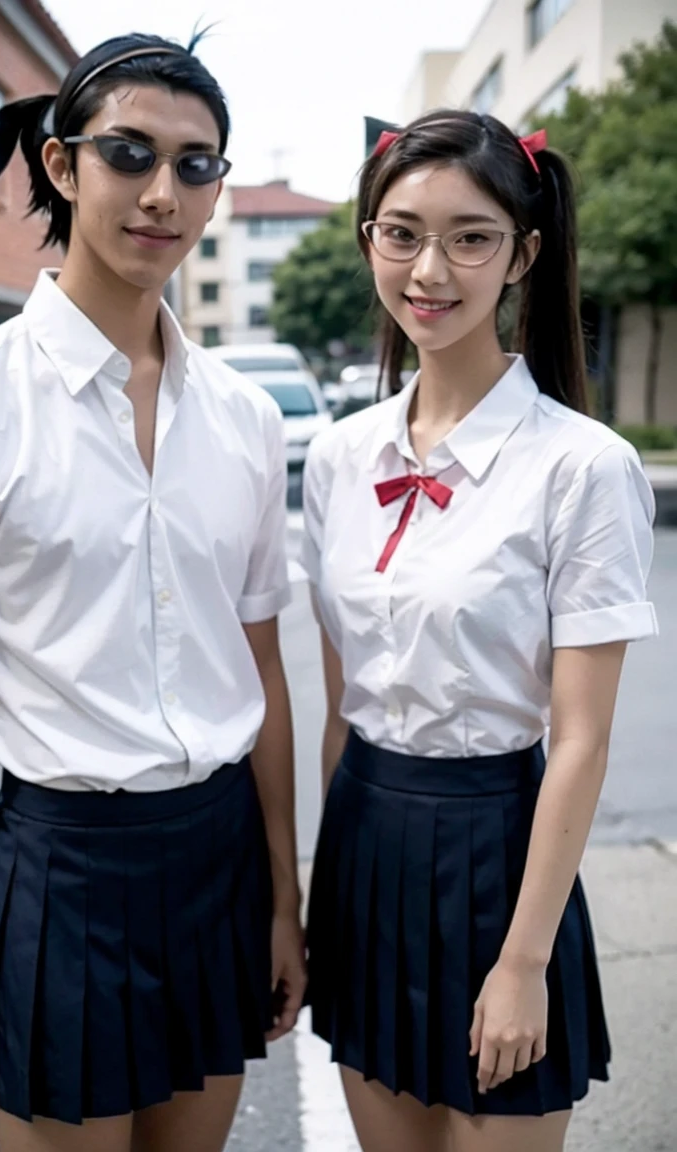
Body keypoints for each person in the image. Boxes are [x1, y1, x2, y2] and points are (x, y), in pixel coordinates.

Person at [0, 31, 305, 1152]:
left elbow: (258, 663)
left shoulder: (245, 421)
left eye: (197, 165)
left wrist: (283, 898)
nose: (165, 192)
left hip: (220, 860)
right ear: (62, 167)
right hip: (61, 870)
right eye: (130, 154)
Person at [301, 110, 658, 1152]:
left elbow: (582, 737)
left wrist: (522, 961)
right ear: (368, 238)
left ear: (523, 255)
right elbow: (340, 701)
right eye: (401, 232)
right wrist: (325, 889)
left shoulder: (583, 467)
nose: (430, 268)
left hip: (501, 856)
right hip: (365, 846)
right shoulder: (337, 459)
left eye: (470, 235)